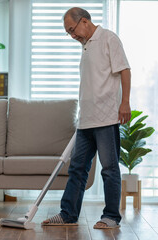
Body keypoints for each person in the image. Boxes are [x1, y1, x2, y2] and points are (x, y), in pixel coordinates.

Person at [42, 7, 131, 229]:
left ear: (84, 21)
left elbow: (125, 70)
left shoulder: (108, 39)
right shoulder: (86, 46)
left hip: (106, 118)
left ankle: (111, 217)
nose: (72, 36)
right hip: (87, 120)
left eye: (72, 30)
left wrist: (125, 102)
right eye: (68, 33)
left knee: (109, 169)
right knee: (77, 168)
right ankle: (68, 214)